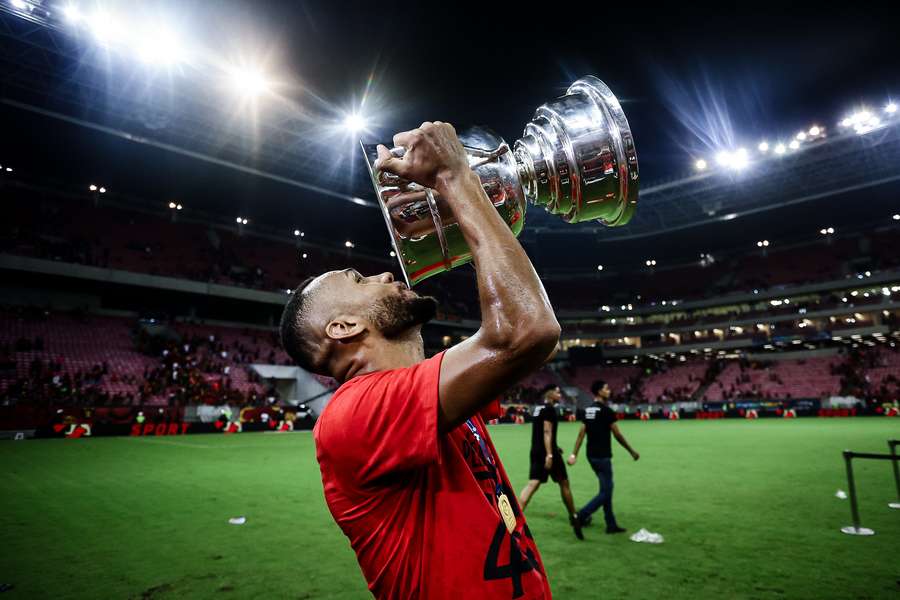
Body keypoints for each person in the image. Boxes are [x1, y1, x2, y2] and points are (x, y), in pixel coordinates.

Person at [279, 121, 559, 599]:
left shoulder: (425, 398)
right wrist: (454, 180)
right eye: (360, 280)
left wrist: (455, 206)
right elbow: (524, 330)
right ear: (343, 328)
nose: (385, 272)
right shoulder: (354, 415)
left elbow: (506, 328)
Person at [567, 380, 639, 533]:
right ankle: (580, 516)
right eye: (606, 388)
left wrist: (574, 454)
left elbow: (581, 434)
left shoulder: (588, 410)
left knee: (605, 488)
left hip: (591, 455)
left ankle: (610, 524)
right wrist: (631, 451)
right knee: (606, 492)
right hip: (603, 456)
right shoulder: (607, 411)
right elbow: (617, 434)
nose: (609, 390)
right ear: (599, 392)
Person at [518, 385, 583, 540]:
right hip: (548, 454)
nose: (560, 394)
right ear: (549, 394)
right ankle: (574, 517)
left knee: (532, 484)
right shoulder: (549, 410)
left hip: (536, 451)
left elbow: (540, 433)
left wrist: (555, 447)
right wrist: (550, 455)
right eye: (558, 391)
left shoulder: (538, 409)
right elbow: (547, 432)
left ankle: (513, 520)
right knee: (564, 483)